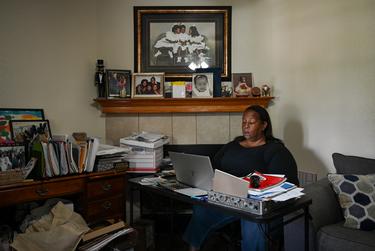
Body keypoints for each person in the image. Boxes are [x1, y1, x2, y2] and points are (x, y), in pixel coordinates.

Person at [183, 105, 299, 251]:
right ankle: (193, 247)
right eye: (244, 122)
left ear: (264, 125)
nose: (246, 126)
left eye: (251, 122)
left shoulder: (275, 150)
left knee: (253, 220)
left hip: (253, 202)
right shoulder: (232, 145)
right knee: (201, 208)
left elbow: (286, 183)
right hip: (226, 197)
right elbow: (212, 167)